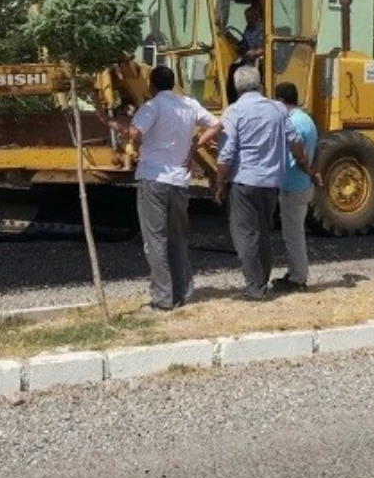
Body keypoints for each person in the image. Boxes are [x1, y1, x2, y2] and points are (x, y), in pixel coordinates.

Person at [100, 65, 218, 312]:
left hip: (154, 178)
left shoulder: (152, 107)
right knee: (178, 238)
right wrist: (194, 148)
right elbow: (217, 124)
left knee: (155, 240)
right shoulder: (188, 104)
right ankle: (183, 293)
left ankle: (162, 299)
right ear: (173, 83)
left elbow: (133, 133)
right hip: (179, 182)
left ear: (151, 86)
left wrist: (108, 120)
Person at [198, 67, 317, 300]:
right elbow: (295, 143)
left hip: (244, 182)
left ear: (236, 87)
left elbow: (227, 153)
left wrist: (219, 183)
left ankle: (255, 288)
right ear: (260, 84)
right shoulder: (277, 109)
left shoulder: (235, 110)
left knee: (245, 235)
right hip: (271, 184)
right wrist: (307, 167)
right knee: (263, 233)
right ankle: (261, 281)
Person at [272, 82, 323, 293]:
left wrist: (310, 172)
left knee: (293, 235)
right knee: (293, 232)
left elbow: (298, 154)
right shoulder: (306, 119)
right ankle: (294, 272)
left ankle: (298, 278)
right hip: (301, 184)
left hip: (295, 184)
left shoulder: (293, 122)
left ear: (281, 101)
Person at [226, 4, 265, 104]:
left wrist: (255, 52)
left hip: (260, 60)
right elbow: (244, 44)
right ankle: (232, 101)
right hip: (247, 59)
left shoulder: (264, 28)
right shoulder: (248, 28)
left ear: (256, 16)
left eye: (249, 17)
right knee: (231, 69)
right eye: (246, 18)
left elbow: (268, 47)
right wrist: (232, 40)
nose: (247, 20)